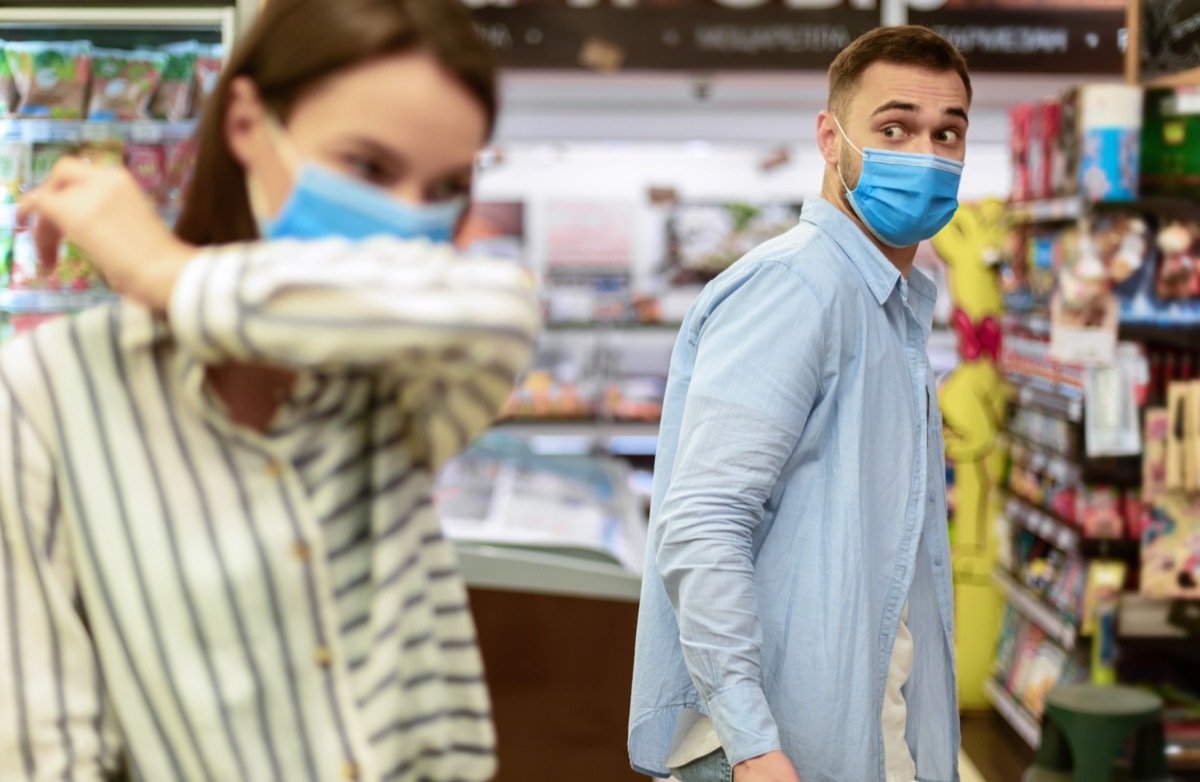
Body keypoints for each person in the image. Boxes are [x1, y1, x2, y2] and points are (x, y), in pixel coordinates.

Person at [0, 1, 538, 780]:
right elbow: (41, 740)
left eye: (446, 188)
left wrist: (159, 269)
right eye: (367, 169)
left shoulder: (408, 372)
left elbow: (497, 307)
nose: (407, 221)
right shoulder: (51, 391)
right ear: (248, 123)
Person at [629, 26, 971, 782]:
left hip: (858, 732)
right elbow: (703, 521)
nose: (926, 154)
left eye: (947, 134)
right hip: (778, 753)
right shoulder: (800, 287)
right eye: (895, 127)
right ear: (831, 137)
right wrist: (753, 744)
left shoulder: (889, 303)